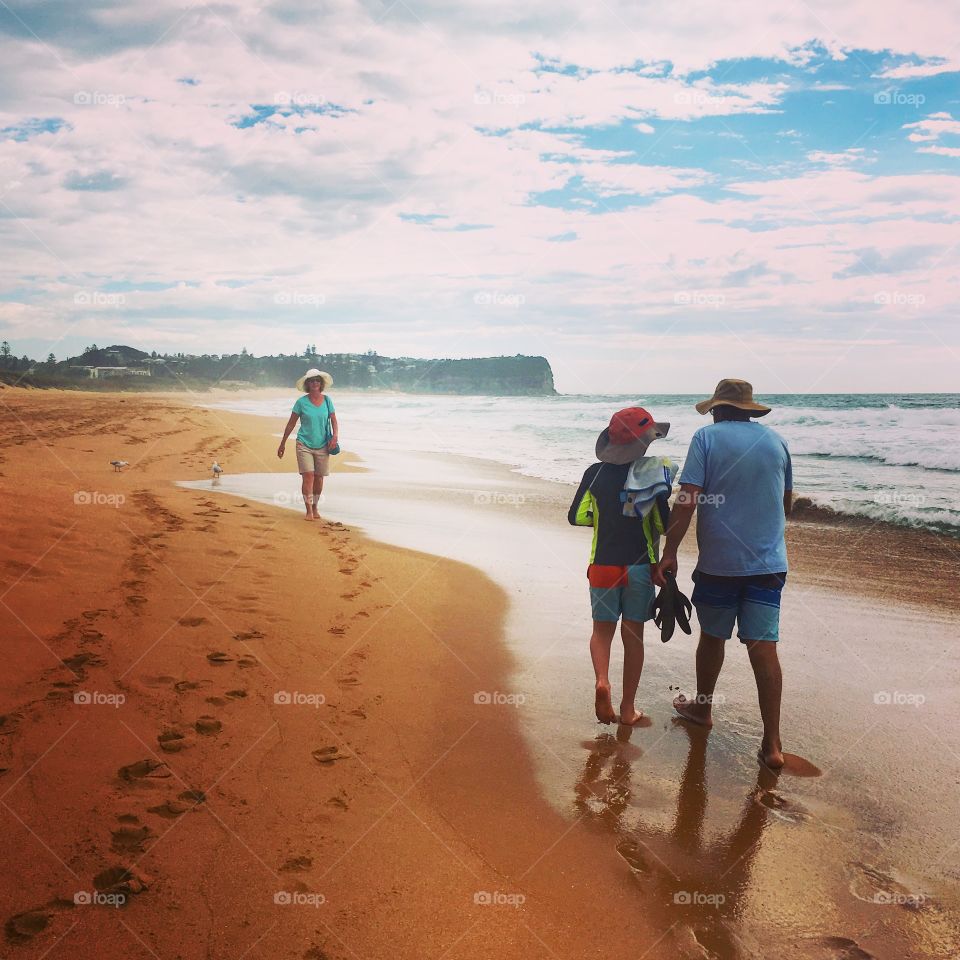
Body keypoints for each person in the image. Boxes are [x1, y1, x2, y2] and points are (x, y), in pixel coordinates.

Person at [653, 379, 792, 769]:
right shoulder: (777, 441)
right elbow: (785, 502)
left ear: (717, 409)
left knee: (713, 638)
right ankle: (773, 743)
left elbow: (687, 499)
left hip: (720, 565)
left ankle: (703, 708)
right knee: (764, 647)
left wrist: (669, 551)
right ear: (749, 410)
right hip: (769, 563)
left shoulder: (706, 438)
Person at [568, 407, 674, 726]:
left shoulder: (593, 473)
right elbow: (663, 524)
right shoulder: (652, 474)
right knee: (634, 637)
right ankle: (628, 710)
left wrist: (601, 520)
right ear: (644, 443)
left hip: (602, 566)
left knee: (602, 632)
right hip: (639, 567)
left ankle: (602, 681)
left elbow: (577, 516)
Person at [277, 368, 339, 521]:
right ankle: (308, 510)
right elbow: (291, 424)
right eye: (311, 381)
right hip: (303, 443)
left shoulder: (327, 400)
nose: (315, 383)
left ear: (321, 383)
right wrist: (282, 443)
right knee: (308, 476)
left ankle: (315, 507)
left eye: (317, 380)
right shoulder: (301, 402)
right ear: (307, 384)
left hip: (323, 444)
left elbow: (333, 420)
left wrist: (335, 436)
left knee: (319, 478)